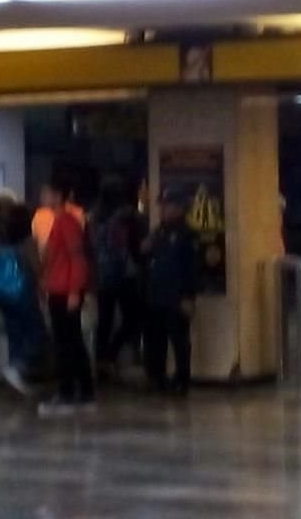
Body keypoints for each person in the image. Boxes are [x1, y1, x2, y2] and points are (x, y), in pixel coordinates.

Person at [38, 178, 93, 418]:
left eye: (47, 192)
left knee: (66, 343)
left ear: (58, 196)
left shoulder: (66, 222)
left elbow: (76, 258)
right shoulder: (61, 221)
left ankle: (68, 390)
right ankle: (83, 389)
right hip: (59, 288)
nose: (42, 197)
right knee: (72, 341)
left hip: (65, 291)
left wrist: (73, 291)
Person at [0, 192, 46, 396]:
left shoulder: (1, 240)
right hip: (23, 292)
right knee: (37, 333)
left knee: (15, 333)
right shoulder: (28, 243)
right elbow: (37, 268)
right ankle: (17, 368)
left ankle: (14, 371)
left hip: (2, 293)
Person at [143, 187, 198, 396]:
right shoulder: (159, 231)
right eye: (162, 206)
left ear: (180, 208)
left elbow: (191, 268)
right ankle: (157, 377)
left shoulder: (187, 234)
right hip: (157, 294)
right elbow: (148, 255)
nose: (163, 210)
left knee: (179, 340)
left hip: (177, 296)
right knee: (156, 339)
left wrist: (188, 296)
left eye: (168, 206)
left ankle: (182, 380)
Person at [93, 180, 147, 380]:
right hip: (126, 274)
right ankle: (111, 355)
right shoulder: (129, 215)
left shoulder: (95, 217)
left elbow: (90, 247)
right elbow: (140, 239)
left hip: (103, 275)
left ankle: (101, 362)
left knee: (104, 322)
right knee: (133, 319)